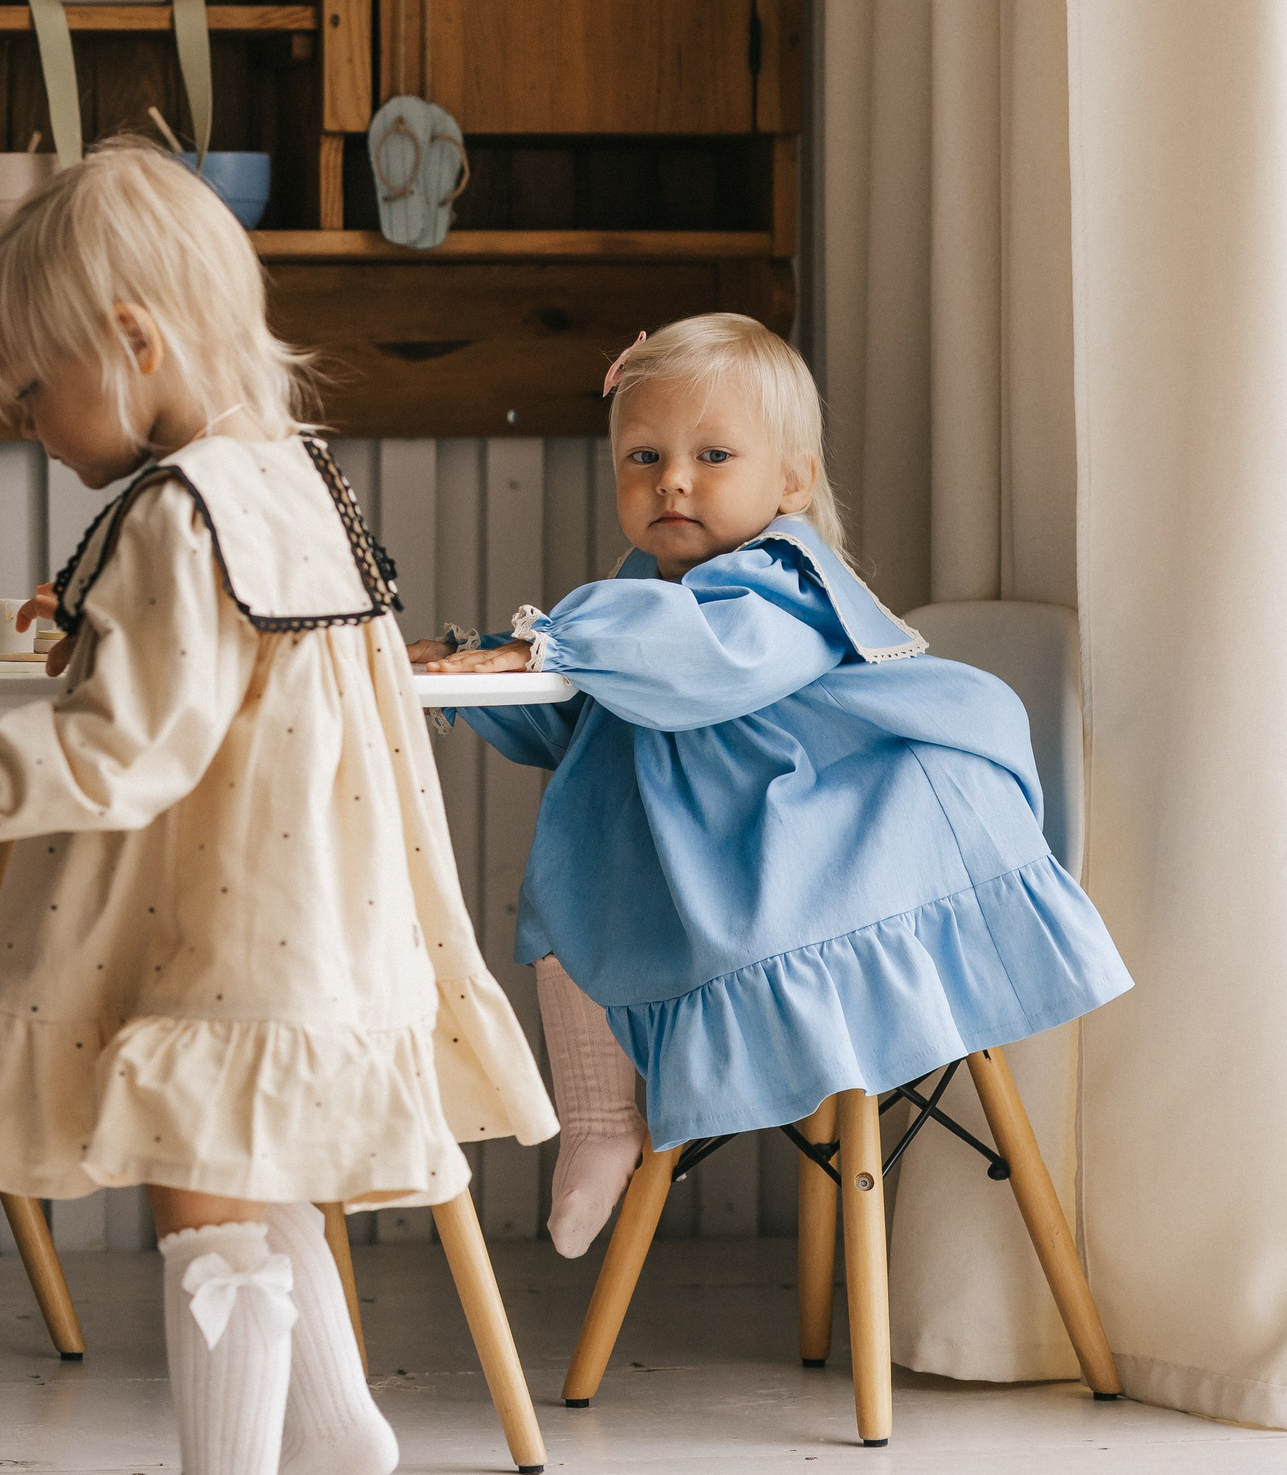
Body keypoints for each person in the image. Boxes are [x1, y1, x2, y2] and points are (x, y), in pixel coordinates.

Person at [0, 143, 556, 1475]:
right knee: (247, 1165)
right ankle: (341, 1436)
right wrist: (91, 618)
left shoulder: (181, 512)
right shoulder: (295, 480)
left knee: (207, 1196)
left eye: (33, 395)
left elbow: (146, 732)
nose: (29, 427)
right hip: (323, 915)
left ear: (130, 341)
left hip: (226, 930)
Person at [416, 314, 1132, 1258]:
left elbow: (709, 662)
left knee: (593, 862)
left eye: (712, 454)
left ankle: (631, 1104)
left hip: (838, 824)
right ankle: (598, 1116)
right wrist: (473, 676)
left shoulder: (781, 578)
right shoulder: (645, 589)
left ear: (790, 480)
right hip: (719, 819)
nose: (672, 478)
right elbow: (581, 719)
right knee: (570, 869)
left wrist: (557, 643)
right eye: (642, 456)